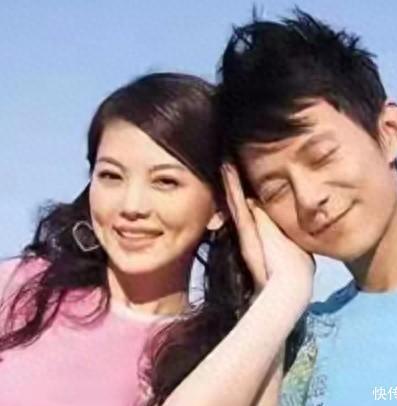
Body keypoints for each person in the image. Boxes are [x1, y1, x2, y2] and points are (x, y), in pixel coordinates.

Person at [215, 9, 397, 405]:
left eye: (322, 156)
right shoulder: (293, 341)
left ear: (389, 132)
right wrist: (280, 291)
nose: (308, 198)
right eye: (276, 189)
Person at [0, 72, 264, 405]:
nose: (132, 206)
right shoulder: (21, 288)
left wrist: (283, 288)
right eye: (111, 176)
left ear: (221, 208)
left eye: (165, 182)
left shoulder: (220, 357)